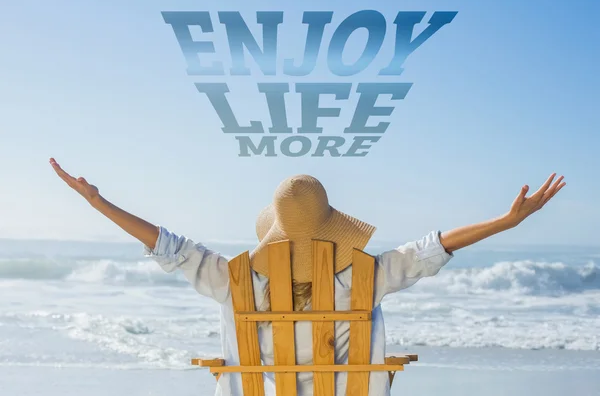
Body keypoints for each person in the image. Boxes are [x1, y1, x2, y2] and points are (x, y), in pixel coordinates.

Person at [49, 158, 565, 396]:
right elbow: (436, 247)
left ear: (272, 232)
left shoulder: (231, 279)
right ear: (332, 231)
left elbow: (165, 244)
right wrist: (505, 221)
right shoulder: (365, 275)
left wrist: (99, 202)